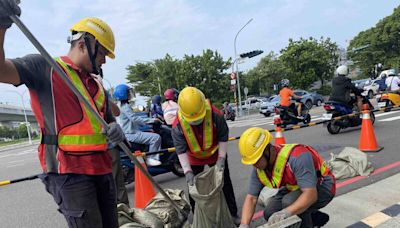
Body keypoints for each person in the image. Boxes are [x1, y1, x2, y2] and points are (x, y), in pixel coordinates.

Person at [0, 2, 124, 226]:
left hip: (103, 169)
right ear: (86, 44)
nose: (104, 60)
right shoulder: (45, 68)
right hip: (69, 173)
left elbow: (108, 122)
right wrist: (1, 25)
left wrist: (116, 129)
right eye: (103, 53)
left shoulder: (96, 84)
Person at [237, 127, 336, 228]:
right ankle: (312, 216)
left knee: (288, 202)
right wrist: (244, 224)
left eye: (256, 160)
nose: (254, 165)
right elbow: (251, 198)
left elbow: (310, 194)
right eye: (252, 162)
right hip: (295, 188)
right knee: (270, 212)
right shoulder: (260, 168)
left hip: (323, 186)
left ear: (267, 150)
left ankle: (306, 221)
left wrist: (286, 213)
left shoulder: (298, 157)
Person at [171, 86, 240, 224]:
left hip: (215, 154)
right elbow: (180, 150)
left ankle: (232, 214)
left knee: (224, 183)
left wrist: (221, 158)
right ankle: (199, 218)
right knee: (193, 187)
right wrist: (187, 171)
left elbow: (222, 137)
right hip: (194, 158)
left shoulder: (215, 115)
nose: (196, 121)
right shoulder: (177, 125)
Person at [114, 84, 162, 166]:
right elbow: (135, 119)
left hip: (128, 133)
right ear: (123, 94)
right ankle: (152, 159)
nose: (130, 94)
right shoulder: (125, 107)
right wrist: (152, 120)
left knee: (150, 132)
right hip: (131, 134)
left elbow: (131, 121)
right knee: (156, 138)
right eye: (128, 92)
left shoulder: (119, 106)